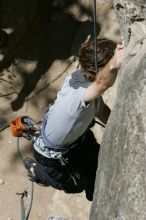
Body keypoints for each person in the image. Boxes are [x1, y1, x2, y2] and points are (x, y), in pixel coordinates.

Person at [24, 37, 125, 201]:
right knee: (75, 185)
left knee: (97, 163)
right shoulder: (78, 97)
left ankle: (95, 196)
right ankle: (39, 172)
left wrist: (120, 129)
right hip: (52, 156)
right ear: (99, 72)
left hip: (78, 138)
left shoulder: (80, 78)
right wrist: (114, 63)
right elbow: (102, 84)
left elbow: (100, 109)